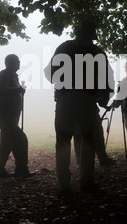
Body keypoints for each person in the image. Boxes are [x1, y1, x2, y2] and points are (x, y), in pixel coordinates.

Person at [44, 18, 114, 194]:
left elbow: (49, 74)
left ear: (77, 32)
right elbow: (107, 81)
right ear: (92, 35)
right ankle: (86, 181)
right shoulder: (97, 52)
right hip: (87, 101)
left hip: (65, 100)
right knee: (88, 140)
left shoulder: (64, 47)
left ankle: (64, 185)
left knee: (62, 141)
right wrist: (103, 98)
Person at [0, 54, 34, 178]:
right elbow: (2, 92)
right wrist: (18, 90)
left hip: (9, 115)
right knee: (20, 139)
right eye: (17, 61)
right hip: (5, 115)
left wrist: (19, 91)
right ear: (10, 63)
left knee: (6, 142)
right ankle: (21, 170)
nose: (19, 63)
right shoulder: (5, 74)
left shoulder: (10, 75)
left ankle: (0, 171)